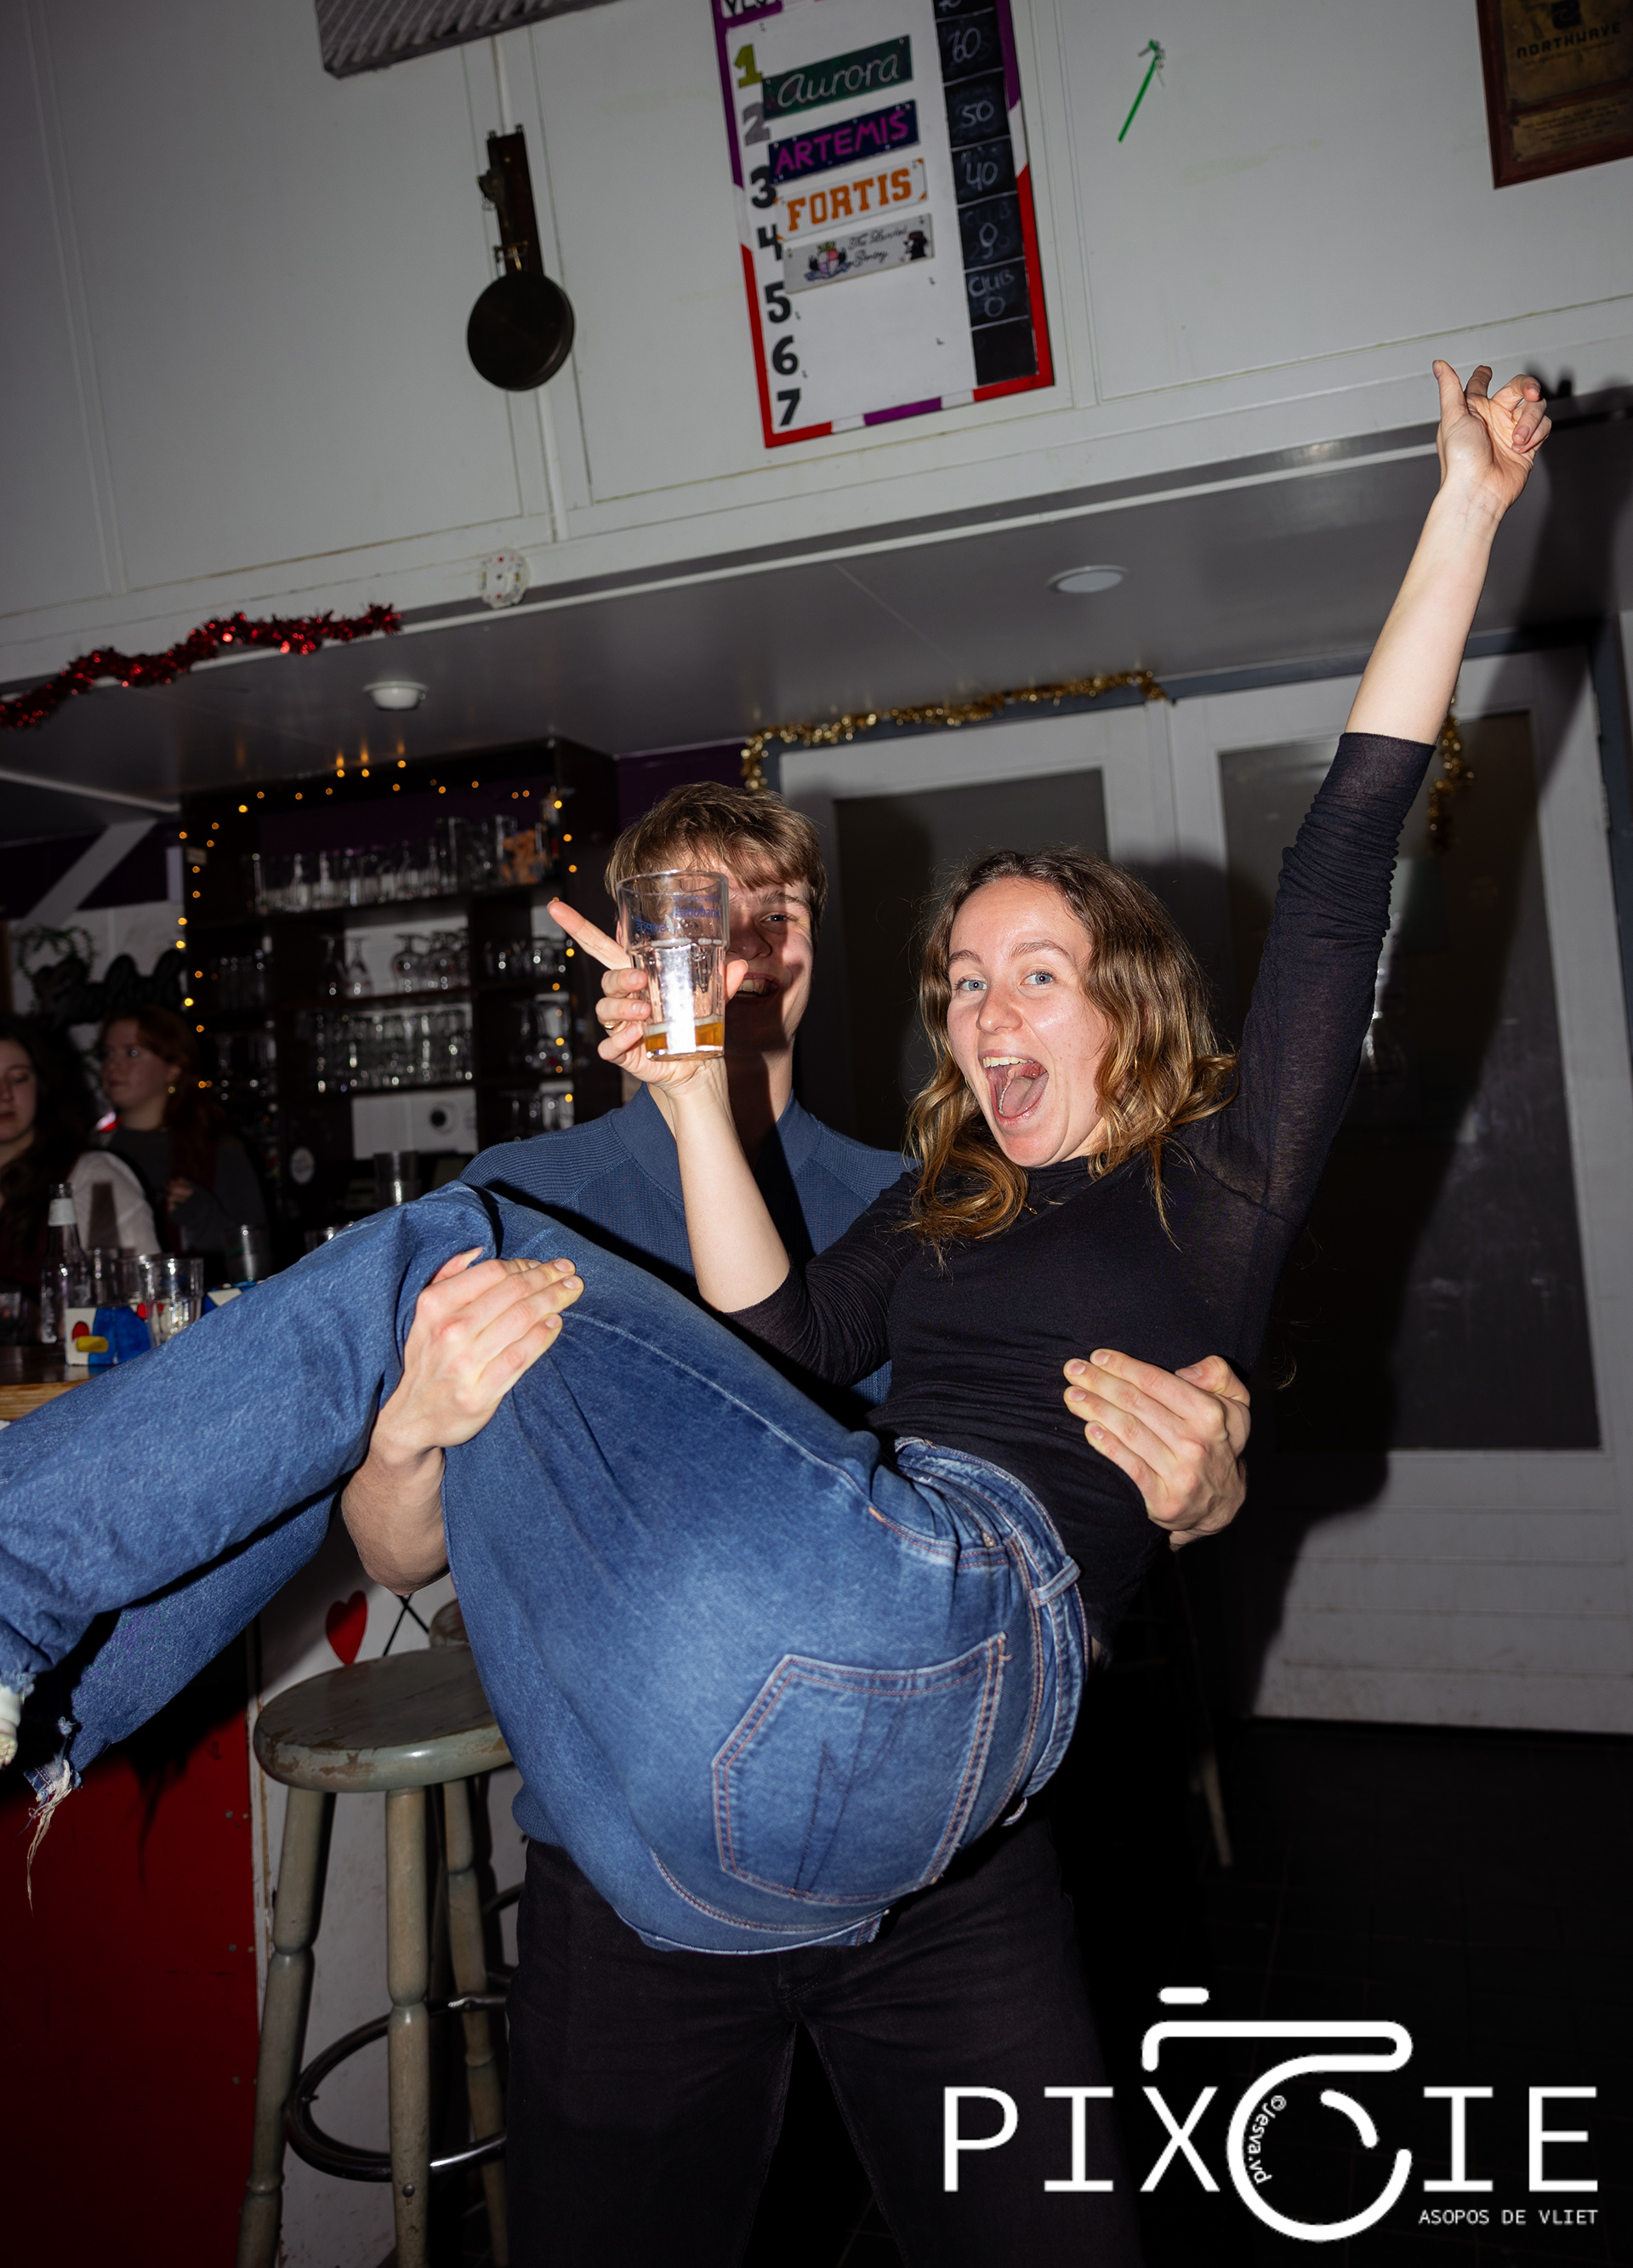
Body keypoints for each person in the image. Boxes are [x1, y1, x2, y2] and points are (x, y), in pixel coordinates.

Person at [0, 360, 1544, 2246]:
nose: (982, 1009)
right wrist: (677, 1109)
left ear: (1131, 1003)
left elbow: (1341, 863)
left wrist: (1464, 507)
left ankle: (22, 1617)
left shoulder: (1212, 1185)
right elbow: (780, 1359)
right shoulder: (930, 1214)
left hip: (941, 1663)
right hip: (672, 1763)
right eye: (962, 982)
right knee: (455, 1245)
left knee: (439, 1238)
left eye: (1035, 973)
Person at [379, 781, 1250, 2266]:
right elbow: (396, 1551)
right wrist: (410, 1430)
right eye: (695, 921)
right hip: (629, 1869)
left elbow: (1063, 1493)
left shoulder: (936, 1198)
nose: (740, 953)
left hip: (946, 1860)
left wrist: (1205, 1494)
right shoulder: (515, 1202)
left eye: (772, 917)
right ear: (638, 951)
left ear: (808, 947)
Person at [0, 1015, 159, 1315]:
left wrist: (34, 1321)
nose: (4, 1094)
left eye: (18, 1078)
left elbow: (139, 1307)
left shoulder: (93, 1177)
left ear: (41, 1085)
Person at [98, 1005, 269, 1261]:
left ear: (173, 1069)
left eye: (132, 1053)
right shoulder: (92, 1152)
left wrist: (201, 1215)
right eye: (107, 1053)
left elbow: (256, 1253)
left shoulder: (217, 1150)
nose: (113, 1065)